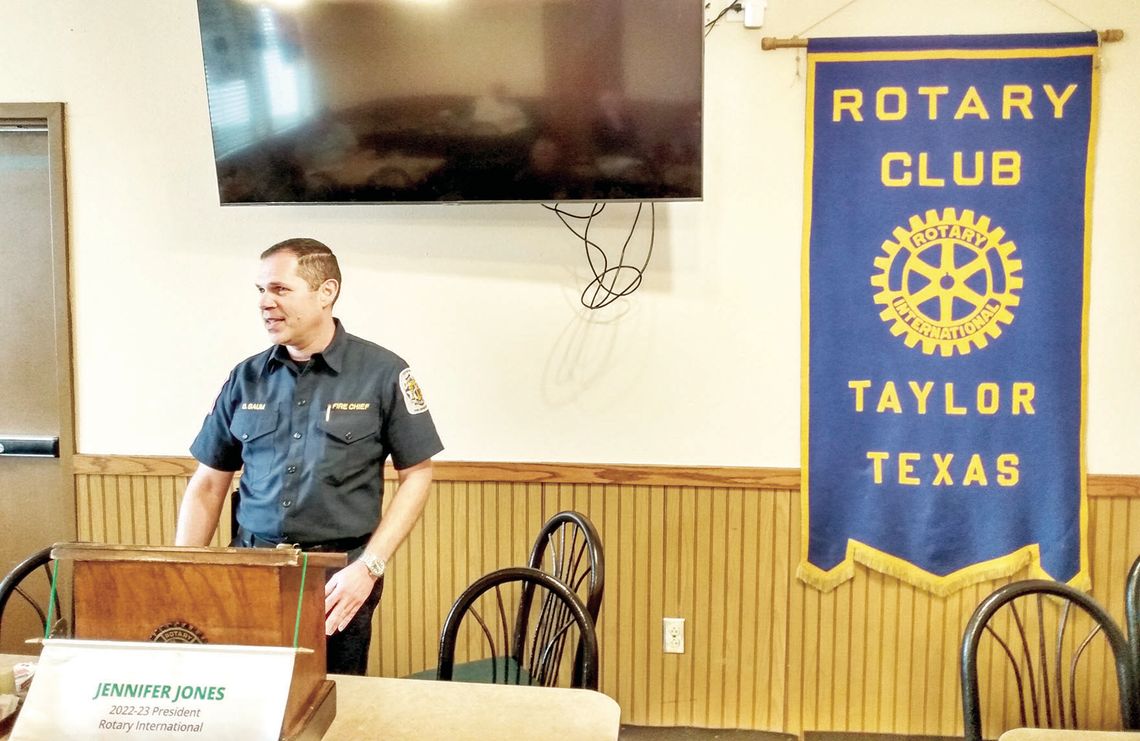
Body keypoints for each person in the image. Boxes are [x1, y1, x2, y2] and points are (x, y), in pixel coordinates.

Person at [174, 237, 443, 675]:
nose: (265, 302)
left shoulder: (383, 372)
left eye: (280, 290)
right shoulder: (246, 378)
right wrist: (184, 571)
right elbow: (208, 483)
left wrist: (369, 568)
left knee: (331, 706)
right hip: (252, 570)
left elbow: (417, 474)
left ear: (326, 292)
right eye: (260, 290)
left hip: (338, 578)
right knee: (245, 703)